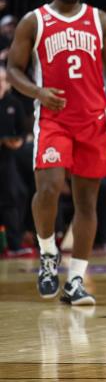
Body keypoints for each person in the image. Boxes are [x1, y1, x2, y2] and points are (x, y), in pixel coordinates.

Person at [5, 0, 106, 305]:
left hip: (92, 120)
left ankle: (75, 282)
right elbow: (13, 69)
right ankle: (47, 254)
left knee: (87, 202)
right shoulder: (35, 21)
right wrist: (38, 91)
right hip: (54, 119)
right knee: (50, 188)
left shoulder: (99, 20)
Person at [0, 66, 29, 254]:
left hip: (8, 159)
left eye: (2, 80)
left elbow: (23, 131)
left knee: (14, 196)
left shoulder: (13, 103)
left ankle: (15, 244)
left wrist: (16, 141)